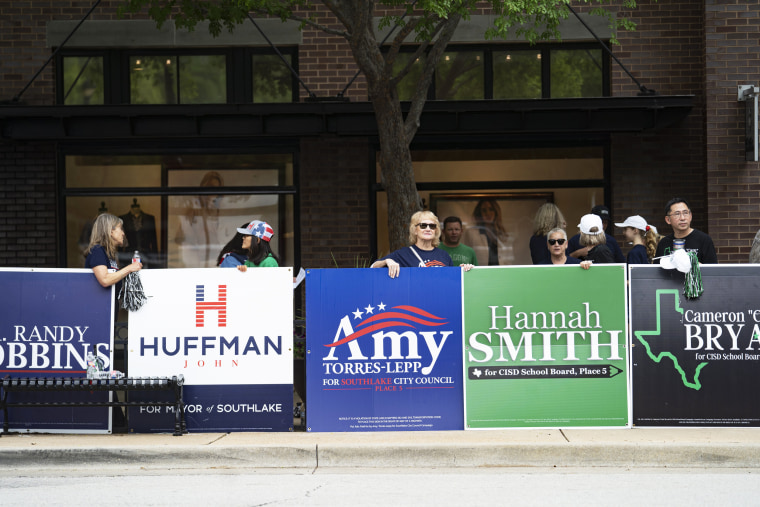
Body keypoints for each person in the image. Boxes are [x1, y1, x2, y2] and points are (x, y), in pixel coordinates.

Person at [371, 210, 473, 278]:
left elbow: (451, 281)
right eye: (423, 226)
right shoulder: (404, 254)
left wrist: (463, 270)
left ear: (436, 231)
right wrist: (387, 261)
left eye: (432, 226)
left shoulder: (444, 255)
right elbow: (372, 267)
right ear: (415, 230)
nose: (428, 229)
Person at [84, 213, 142, 289]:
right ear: (111, 231)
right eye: (120, 229)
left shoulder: (108, 252)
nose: (123, 233)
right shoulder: (97, 250)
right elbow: (105, 280)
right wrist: (129, 268)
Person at [654, 197, 717, 263]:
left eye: (685, 213)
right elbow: (656, 271)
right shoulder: (664, 243)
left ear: (691, 216)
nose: (682, 218)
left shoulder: (704, 240)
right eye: (677, 214)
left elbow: (712, 270)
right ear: (668, 220)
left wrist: (694, 265)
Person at [464, 198, 510, 266]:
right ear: (479, 213)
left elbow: (508, 260)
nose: (488, 213)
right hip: (480, 273)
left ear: (496, 212)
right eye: (484, 210)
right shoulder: (471, 233)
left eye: (491, 209)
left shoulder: (502, 234)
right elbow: (466, 258)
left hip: (501, 273)